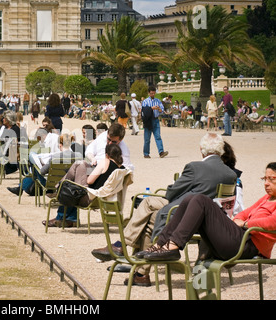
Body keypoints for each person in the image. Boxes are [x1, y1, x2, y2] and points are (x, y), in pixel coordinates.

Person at [91, 133, 237, 286]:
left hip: (183, 214)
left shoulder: (195, 167)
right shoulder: (230, 174)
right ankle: (139, 273)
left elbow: (171, 193)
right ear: (221, 149)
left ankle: (123, 247)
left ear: (202, 149)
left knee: (148, 206)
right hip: (208, 222)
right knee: (150, 213)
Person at [139, 162, 276, 263]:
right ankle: (160, 244)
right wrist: (239, 221)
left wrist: (246, 223)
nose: (266, 183)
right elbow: (244, 213)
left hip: (248, 246)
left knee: (201, 200)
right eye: (265, 179)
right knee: (189, 199)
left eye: (272, 179)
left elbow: (272, 222)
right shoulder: (267, 198)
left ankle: (174, 246)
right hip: (240, 237)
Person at [45, 143, 125, 228]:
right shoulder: (121, 169)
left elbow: (90, 181)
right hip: (100, 198)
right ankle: (70, 218)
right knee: (80, 165)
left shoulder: (106, 162)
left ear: (106, 155)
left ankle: (58, 188)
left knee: (79, 165)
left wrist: (92, 171)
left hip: (87, 197)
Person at [7, 133, 83, 197]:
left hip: (51, 185)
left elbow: (42, 172)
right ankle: (20, 188)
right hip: (70, 184)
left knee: (34, 162)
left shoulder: (55, 158)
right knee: (35, 165)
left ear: (60, 145)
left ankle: (21, 187)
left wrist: (39, 165)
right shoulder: (78, 155)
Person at [141, 86, 168, 159]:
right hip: (148, 121)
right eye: (151, 93)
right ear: (148, 93)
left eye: (153, 93)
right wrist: (151, 108)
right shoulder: (145, 101)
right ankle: (146, 153)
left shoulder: (158, 101)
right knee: (147, 138)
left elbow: (162, 110)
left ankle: (161, 152)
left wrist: (158, 108)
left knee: (158, 136)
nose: (152, 95)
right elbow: (144, 111)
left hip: (156, 120)